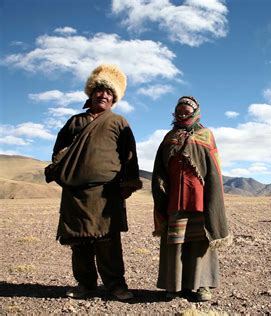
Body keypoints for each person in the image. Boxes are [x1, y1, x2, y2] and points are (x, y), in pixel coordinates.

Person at [47, 64, 142, 300]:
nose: (104, 95)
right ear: (90, 93)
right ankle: (85, 284)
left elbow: (130, 155)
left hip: (105, 193)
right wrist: (62, 174)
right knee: (79, 242)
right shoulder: (74, 122)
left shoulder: (119, 122)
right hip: (75, 193)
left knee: (108, 241)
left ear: (114, 98)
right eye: (99, 90)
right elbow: (58, 152)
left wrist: (129, 182)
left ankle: (115, 285)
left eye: (109, 93)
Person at [152, 96, 232, 302]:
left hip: (200, 200)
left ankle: (201, 286)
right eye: (179, 110)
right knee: (175, 243)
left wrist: (213, 200)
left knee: (199, 243)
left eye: (187, 109)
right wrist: (160, 193)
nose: (182, 112)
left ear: (196, 112)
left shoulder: (206, 135)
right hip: (174, 200)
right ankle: (175, 286)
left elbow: (214, 170)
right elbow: (159, 169)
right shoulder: (169, 137)